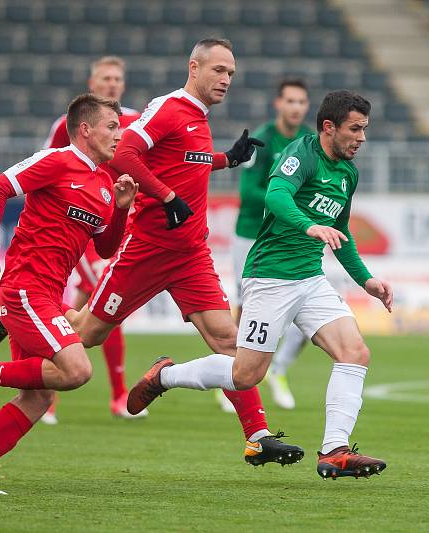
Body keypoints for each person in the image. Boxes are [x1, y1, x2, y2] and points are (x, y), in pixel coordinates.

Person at [127, 90, 393, 480]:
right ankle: (164, 376)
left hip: (310, 278)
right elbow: (276, 195)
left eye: (365, 129)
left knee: (354, 352)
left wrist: (366, 280)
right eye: (355, 129)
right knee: (246, 374)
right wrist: (307, 224)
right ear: (328, 127)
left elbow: (341, 231)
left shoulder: (347, 173)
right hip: (270, 278)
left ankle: (335, 449)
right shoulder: (300, 155)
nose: (362, 138)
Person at [65, 38, 304, 467]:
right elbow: (125, 154)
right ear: (193, 68)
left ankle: (258, 437)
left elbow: (184, 160)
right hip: (148, 250)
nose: (226, 79)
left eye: (231, 73)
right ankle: (21, 316)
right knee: (85, 336)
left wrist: (226, 160)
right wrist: (166, 195)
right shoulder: (169, 107)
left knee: (231, 342)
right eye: (218, 70)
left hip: (191, 253)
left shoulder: (198, 117)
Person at [0, 94, 139, 495]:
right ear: (85, 129)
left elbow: (104, 248)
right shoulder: (55, 161)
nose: (120, 135)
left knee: (38, 396)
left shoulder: (104, 184)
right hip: (25, 291)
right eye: (112, 127)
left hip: (48, 295)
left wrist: (120, 209)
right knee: (77, 370)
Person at [0, 56, 143, 423]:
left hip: (103, 212)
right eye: (106, 78)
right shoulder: (65, 135)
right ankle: (105, 395)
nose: (113, 84)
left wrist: (122, 207)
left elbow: (150, 161)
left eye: (118, 78)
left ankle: (47, 390)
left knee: (87, 319)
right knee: (92, 316)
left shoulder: (134, 122)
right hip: (69, 227)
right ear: (93, 83)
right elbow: (26, 175)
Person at [220, 78, 313, 412]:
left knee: (307, 304)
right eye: (290, 101)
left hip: (288, 236)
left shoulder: (308, 142)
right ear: (279, 104)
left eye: (302, 101)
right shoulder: (264, 139)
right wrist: (287, 199)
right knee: (246, 307)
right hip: (250, 234)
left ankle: (278, 370)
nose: (296, 107)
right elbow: (247, 192)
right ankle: (230, 378)